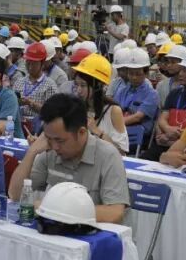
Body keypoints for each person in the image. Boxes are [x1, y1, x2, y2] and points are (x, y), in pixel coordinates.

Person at [8, 94, 130, 223]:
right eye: (49, 139)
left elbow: (115, 213)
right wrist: (32, 152)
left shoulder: (108, 155)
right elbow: (15, 195)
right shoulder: (50, 151)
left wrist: (52, 210)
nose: (55, 146)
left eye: (60, 140)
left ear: (82, 132)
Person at [72, 54, 128, 154]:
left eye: (83, 85)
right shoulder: (76, 107)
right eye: (77, 85)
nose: (78, 90)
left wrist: (97, 131)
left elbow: (121, 152)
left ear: (98, 85)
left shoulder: (113, 111)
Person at [13, 42, 60, 134]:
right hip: (18, 126)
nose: (30, 67)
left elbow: (52, 112)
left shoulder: (50, 85)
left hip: (39, 130)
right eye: (28, 63)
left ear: (42, 63)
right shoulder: (19, 82)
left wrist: (31, 103)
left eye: (34, 64)